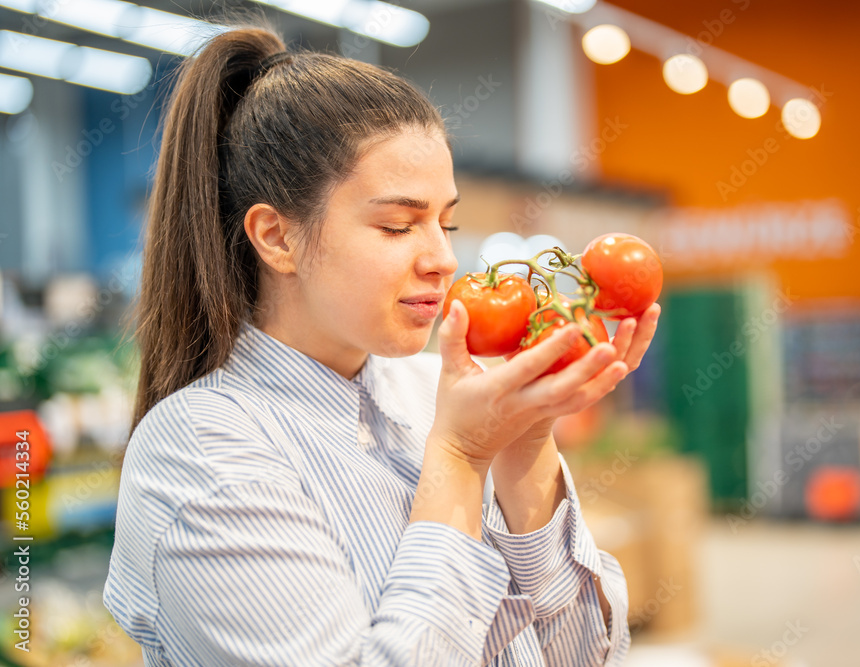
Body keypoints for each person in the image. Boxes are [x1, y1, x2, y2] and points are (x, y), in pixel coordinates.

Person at [103, 24, 660, 667]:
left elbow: (587, 655)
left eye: (446, 222)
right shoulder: (200, 449)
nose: (444, 259)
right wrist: (459, 457)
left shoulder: (436, 391)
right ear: (277, 237)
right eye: (398, 226)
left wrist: (525, 443)